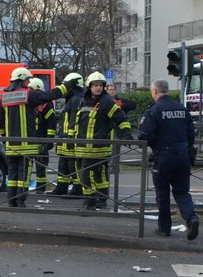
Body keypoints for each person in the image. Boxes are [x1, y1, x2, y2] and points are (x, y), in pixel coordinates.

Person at [138, 78, 200, 240]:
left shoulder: (154, 110)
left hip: (164, 156)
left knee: (162, 193)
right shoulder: (181, 108)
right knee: (181, 191)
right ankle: (191, 218)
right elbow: (191, 135)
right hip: (183, 155)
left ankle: (164, 228)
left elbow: (145, 136)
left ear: (155, 91)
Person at [71, 72, 134, 210]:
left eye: (100, 85)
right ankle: (100, 199)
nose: (98, 88)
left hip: (98, 148)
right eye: (95, 85)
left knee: (88, 175)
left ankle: (91, 201)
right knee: (97, 175)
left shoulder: (106, 102)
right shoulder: (83, 101)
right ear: (89, 86)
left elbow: (121, 118)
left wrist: (126, 134)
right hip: (82, 148)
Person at [0, 67, 52, 207]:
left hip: (11, 144)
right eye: (27, 80)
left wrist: (4, 137)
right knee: (24, 175)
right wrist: (65, 87)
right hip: (26, 145)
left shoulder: (4, 97)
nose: (28, 83)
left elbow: (0, 122)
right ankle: (21, 200)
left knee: (12, 173)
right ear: (22, 80)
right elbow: (48, 96)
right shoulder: (28, 95)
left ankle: (11, 200)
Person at [46, 72, 85, 197]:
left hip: (71, 140)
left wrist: (70, 138)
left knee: (73, 165)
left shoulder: (77, 99)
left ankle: (77, 189)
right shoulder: (73, 99)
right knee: (63, 164)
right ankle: (62, 186)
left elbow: (74, 121)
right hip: (65, 139)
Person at [28, 77, 56, 192]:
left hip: (41, 140)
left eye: (31, 90)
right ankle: (25, 187)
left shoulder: (46, 106)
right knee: (27, 167)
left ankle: (40, 188)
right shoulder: (29, 104)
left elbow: (51, 122)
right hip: (30, 140)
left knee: (41, 167)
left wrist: (49, 140)